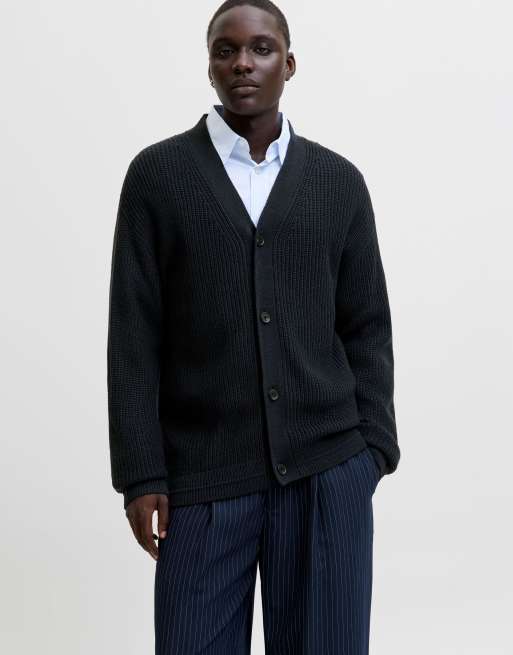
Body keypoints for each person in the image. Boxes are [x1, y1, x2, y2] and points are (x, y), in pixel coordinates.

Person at [107, 0, 401, 652]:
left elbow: (366, 327)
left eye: (261, 48)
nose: (243, 62)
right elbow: (133, 335)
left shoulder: (338, 183)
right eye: (226, 50)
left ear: (288, 64)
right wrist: (141, 474)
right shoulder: (158, 177)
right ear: (210, 66)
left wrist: (371, 452)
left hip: (327, 475)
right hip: (202, 480)